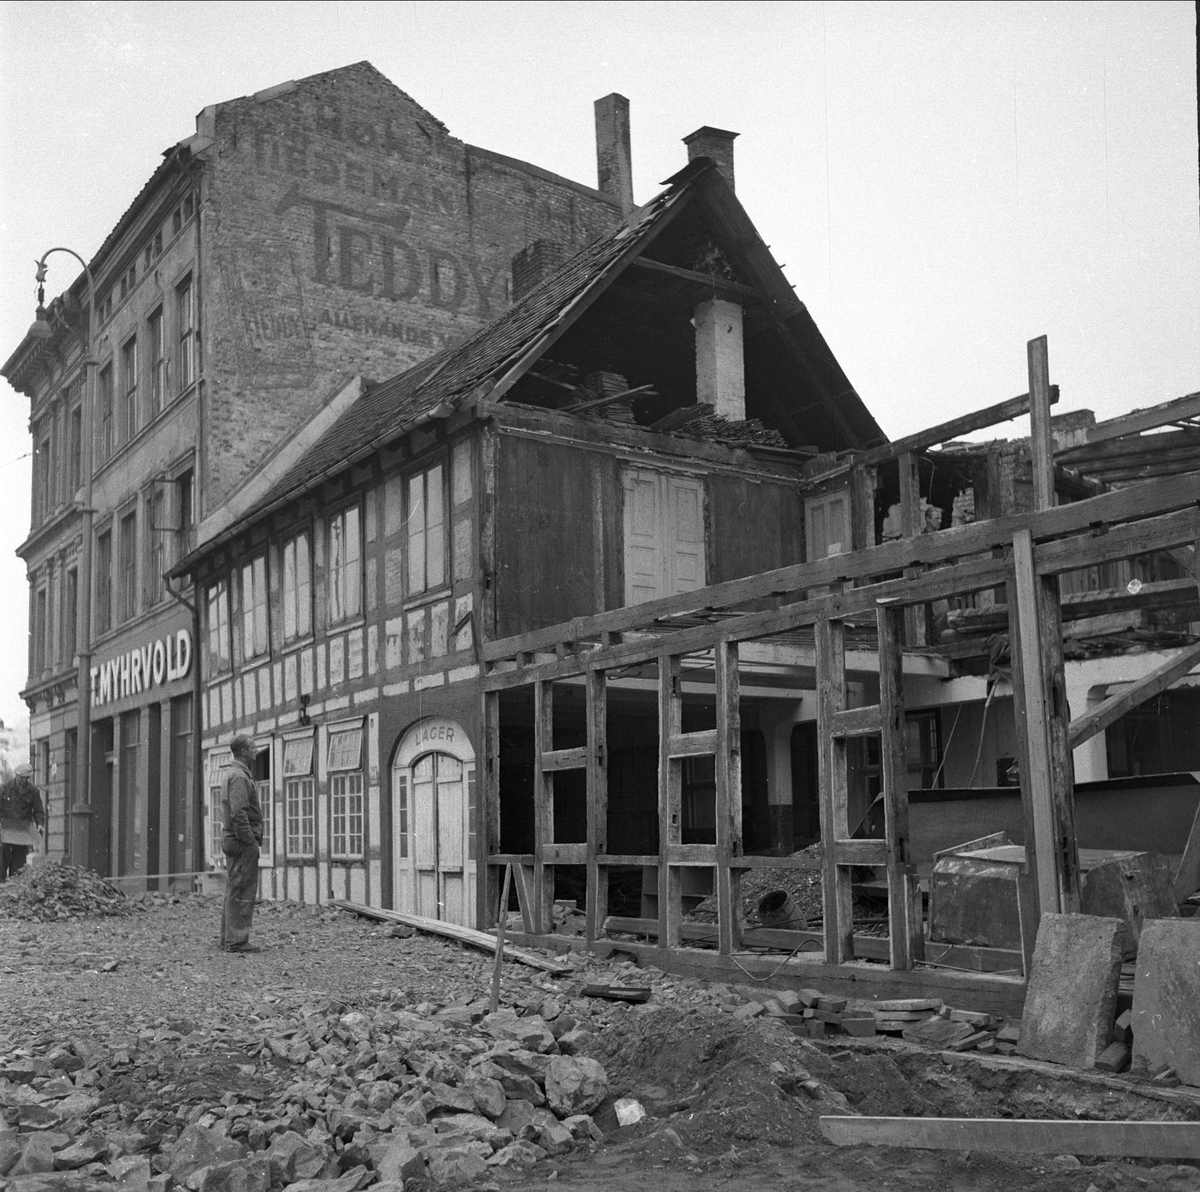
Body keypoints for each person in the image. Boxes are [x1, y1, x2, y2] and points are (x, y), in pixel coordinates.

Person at [220, 735, 263, 953]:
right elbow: (239, 814)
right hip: (241, 841)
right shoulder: (239, 777)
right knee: (243, 888)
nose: (256, 750)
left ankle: (229, 938)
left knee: (235, 887)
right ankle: (237, 940)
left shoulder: (234, 774)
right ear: (244, 752)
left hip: (234, 839)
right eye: (253, 747)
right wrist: (250, 841)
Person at [0, 763, 45, 881]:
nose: (25, 781)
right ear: (17, 775)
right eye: (22, 778)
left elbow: (39, 810)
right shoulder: (4, 789)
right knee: (1, 864)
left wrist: (40, 824)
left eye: (27, 778)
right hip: (6, 832)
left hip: (22, 834)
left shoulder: (33, 791)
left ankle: (14, 893)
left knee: (18, 870)